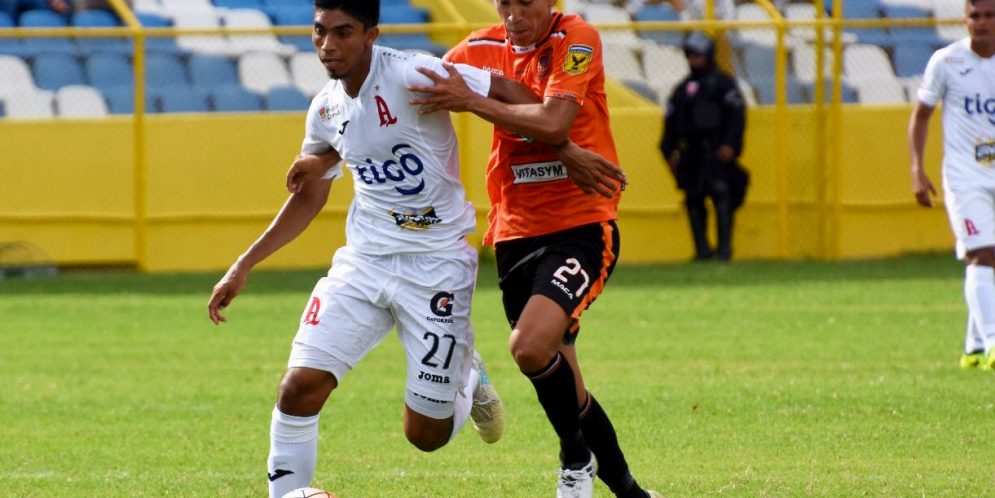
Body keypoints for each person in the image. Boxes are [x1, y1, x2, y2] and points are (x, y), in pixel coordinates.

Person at [203, 1, 521, 496]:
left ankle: (468, 378)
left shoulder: (414, 73)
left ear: (371, 34)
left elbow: (509, 91)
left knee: (426, 436)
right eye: (319, 32)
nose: (328, 45)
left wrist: (555, 132)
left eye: (343, 32)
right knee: (297, 388)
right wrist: (243, 265)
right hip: (365, 261)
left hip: (436, 265)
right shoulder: (324, 109)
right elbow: (309, 196)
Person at [407, 1, 659, 497]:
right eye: (504, 2)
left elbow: (554, 120)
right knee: (566, 379)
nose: (514, 15)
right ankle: (632, 493)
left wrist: (473, 100)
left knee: (528, 347)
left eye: (526, 2)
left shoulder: (576, 38)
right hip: (514, 232)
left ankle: (574, 458)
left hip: (581, 224)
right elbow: (411, 84)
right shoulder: (478, 49)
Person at [909, 0, 995, 370]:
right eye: (975, 16)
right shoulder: (946, 61)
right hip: (965, 177)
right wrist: (917, 169)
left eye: (990, 15)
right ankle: (993, 343)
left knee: (990, 259)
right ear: (964, 20)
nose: (982, 22)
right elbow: (920, 117)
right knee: (982, 253)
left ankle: (973, 348)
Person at [659, 31, 748, 262]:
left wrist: (730, 145)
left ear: (708, 55)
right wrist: (668, 152)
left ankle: (724, 250)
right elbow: (671, 122)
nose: (693, 60)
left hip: (717, 149)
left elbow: (737, 117)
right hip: (691, 152)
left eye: (697, 55)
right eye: (690, 55)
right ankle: (702, 251)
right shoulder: (682, 89)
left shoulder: (723, 83)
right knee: (693, 198)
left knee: (721, 194)